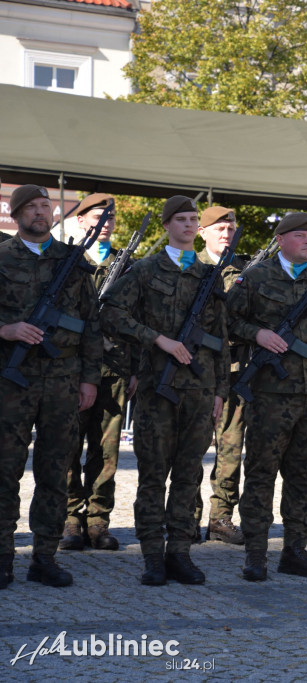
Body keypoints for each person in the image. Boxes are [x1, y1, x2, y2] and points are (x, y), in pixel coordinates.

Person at [101, 195, 229, 586]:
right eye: (182, 219)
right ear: (167, 225)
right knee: (154, 476)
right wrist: (156, 338)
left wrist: (221, 390)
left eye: (193, 219)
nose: (190, 225)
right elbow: (110, 312)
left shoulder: (209, 275)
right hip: (158, 388)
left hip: (200, 388)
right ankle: (152, 555)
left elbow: (220, 337)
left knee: (189, 475)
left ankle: (180, 553)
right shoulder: (145, 270)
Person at [226, 212, 307, 581]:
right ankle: (256, 553)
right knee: (261, 475)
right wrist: (257, 334)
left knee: (302, 476)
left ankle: (295, 550)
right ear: (280, 240)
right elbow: (225, 321)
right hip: (270, 395)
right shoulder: (257, 277)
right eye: (299, 236)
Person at [0, 184, 102, 589]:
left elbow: (91, 323)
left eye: (46, 205)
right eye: (32, 207)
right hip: (11, 380)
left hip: (63, 382)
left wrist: (89, 378)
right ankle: (4, 556)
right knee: (5, 470)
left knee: (56, 471)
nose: (41, 212)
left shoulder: (73, 261)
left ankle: (45, 556)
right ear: (16, 214)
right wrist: (5, 329)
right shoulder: (2, 256)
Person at [62, 193, 132, 552]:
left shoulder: (128, 263)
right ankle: (71, 519)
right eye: (99, 214)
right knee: (69, 447)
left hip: (115, 369)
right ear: (81, 221)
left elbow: (140, 319)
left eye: (112, 215)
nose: (107, 220)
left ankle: (98, 521)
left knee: (106, 453)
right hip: (73, 369)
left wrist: (135, 369)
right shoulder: (67, 261)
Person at [195, 205, 247, 546]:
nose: (226, 233)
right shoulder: (190, 266)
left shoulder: (245, 270)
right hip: (194, 370)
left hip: (234, 371)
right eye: (218, 229)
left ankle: (221, 516)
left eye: (230, 228)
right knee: (190, 447)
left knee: (231, 448)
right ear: (203, 233)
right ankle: (184, 516)